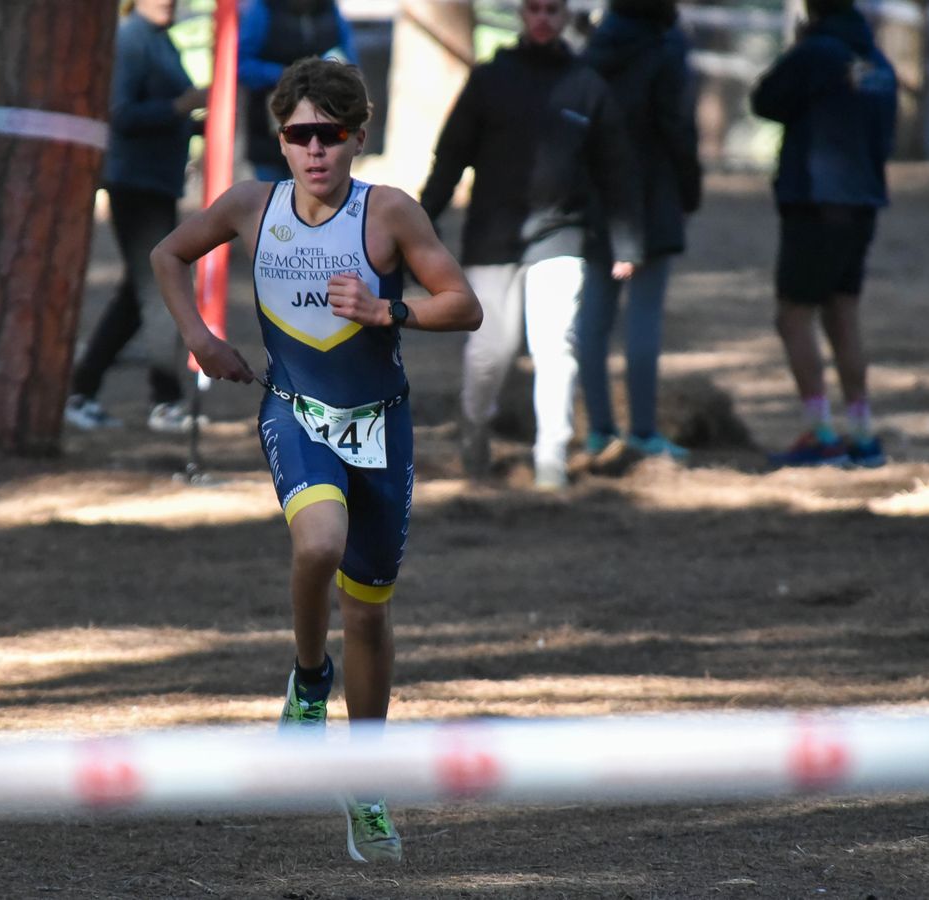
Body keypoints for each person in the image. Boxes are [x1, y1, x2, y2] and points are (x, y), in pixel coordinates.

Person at [149, 58, 481, 862]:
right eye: (300, 135)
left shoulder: (389, 215)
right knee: (319, 545)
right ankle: (307, 677)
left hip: (382, 429)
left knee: (369, 608)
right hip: (296, 413)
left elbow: (464, 303)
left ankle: (366, 786)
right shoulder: (250, 208)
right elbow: (168, 255)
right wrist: (200, 338)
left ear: (357, 137)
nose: (315, 150)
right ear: (282, 141)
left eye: (330, 134)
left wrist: (388, 308)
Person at [419, 0, 641, 490]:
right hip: (492, 238)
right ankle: (474, 431)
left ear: (566, 18)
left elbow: (616, 170)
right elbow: (451, 155)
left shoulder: (587, 87)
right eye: (534, 9)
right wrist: (419, 221)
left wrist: (626, 242)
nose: (542, 18)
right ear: (521, 14)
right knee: (489, 354)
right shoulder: (490, 80)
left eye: (553, 10)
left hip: (561, 236)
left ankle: (551, 460)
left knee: (556, 345)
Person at [751, 0, 895, 468]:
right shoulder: (878, 63)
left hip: (816, 201)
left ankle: (819, 432)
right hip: (863, 203)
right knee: (842, 314)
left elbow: (764, 99)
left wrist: (801, 48)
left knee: (793, 315)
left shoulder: (816, 54)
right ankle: (862, 432)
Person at [65, 0, 208, 434]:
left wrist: (203, 120)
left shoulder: (160, 40)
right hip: (135, 184)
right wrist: (181, 107)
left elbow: (167, 114)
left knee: (137, 295)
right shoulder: (130, 39)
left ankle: (80, 391)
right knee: (162, 288)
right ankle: (165, 401)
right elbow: (121, 113)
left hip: (158, 183)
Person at [578, 0, 702, 465]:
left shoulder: (594, 48)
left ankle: (599, 431)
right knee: (644, 316)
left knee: (593, 316)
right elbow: (677, 125)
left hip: (597, 194)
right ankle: (644, 431)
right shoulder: (667, 48)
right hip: (653, 192)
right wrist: (689, 190)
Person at [238, 0, 357, 184]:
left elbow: (350, 62)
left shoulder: (329, 9)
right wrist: (287, 76)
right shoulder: (264, 8)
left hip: (322, 132)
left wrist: (334, 71)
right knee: (274, 199)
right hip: (270, 133)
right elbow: (242, 64)